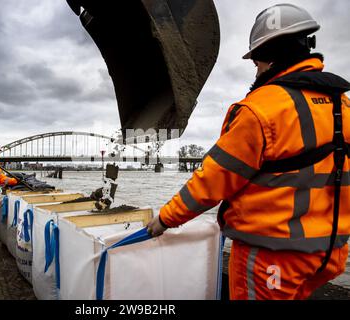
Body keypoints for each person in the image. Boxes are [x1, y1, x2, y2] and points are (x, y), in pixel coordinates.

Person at [147, 4, 350, 300]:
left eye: (256, 62)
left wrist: (166, 218)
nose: (256, 70)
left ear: (266, 55)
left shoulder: (259, 110)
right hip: (329, 255)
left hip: (272, 257)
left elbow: (212, 180)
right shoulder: (342, 106)